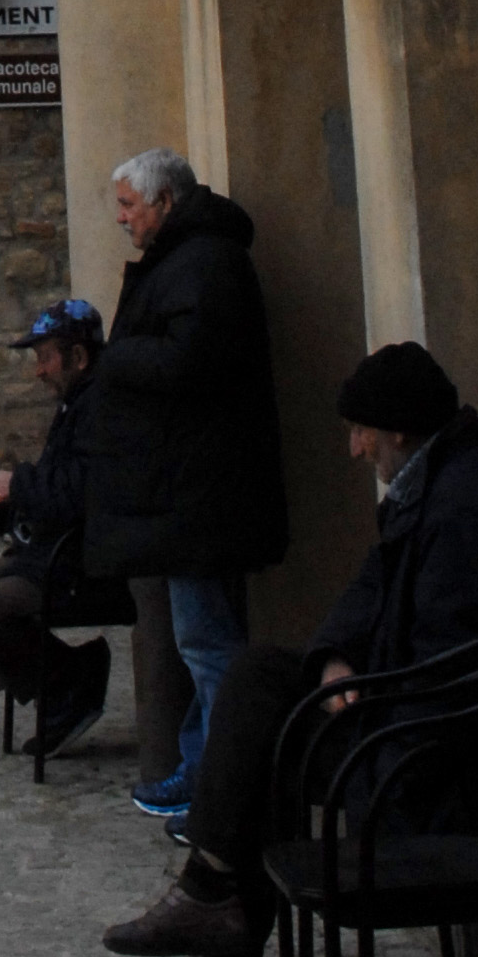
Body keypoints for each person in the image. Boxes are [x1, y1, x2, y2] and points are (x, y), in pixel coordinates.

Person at [102, 340, 478, 957]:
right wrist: (336, 655)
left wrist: (358, 700)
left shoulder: (470, 510)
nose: (354, 449)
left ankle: (221, 929)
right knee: (260, 678)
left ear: (396, 428)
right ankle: (215, 907)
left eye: (360, 431)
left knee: (265, 733)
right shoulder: (444, 478)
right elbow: (373, 588)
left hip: (436, 763)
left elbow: (454, 673)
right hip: (411, 721)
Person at [79, 147, 289, 824]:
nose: (121, 219)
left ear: (165, 202)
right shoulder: (192, 259)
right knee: (203, 638)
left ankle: (226, 785)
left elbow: (190, 362)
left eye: (128, 205)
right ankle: (204, 767)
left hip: (201, 494)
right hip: (189, 489)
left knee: (206, 642)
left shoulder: (202, 262)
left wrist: (117, 357)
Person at [0, 298, 126, 749]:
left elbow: (75, 495)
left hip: (83, 564)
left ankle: (71, 681)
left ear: (78, 357)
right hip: (54, 553)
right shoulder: (75, 404)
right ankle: (62, 687)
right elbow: (49, 482)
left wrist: (17, 486)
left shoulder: (101, 407)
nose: (39, 370)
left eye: (46, 357)